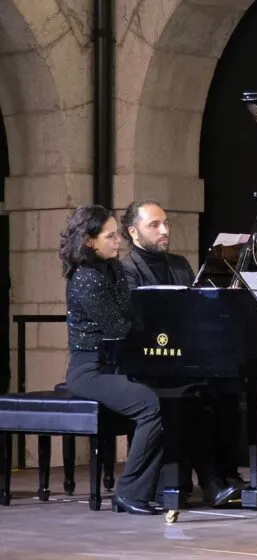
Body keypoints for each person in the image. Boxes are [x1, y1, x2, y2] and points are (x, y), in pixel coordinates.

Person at [119, 200, 242, 508]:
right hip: (146, 360)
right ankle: (206, 482)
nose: (164, 230)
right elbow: (137, 322)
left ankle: (222, 476)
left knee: (222, 390)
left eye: (166, 223)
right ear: (133, 232)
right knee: (193, 398)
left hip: (180, 357)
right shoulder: (125, 269)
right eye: (155, 225)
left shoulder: (179, 265)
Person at [59, 204, 164, 515]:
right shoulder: (86, 279)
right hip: (89, 370)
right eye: (110, 235)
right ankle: (130, 492)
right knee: (151, 404)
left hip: (115, 365)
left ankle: (155, 489)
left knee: (167, 399)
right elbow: (118, 326)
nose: (118, 241)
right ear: (90, 241)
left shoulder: (113, 268)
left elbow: (129, 315)